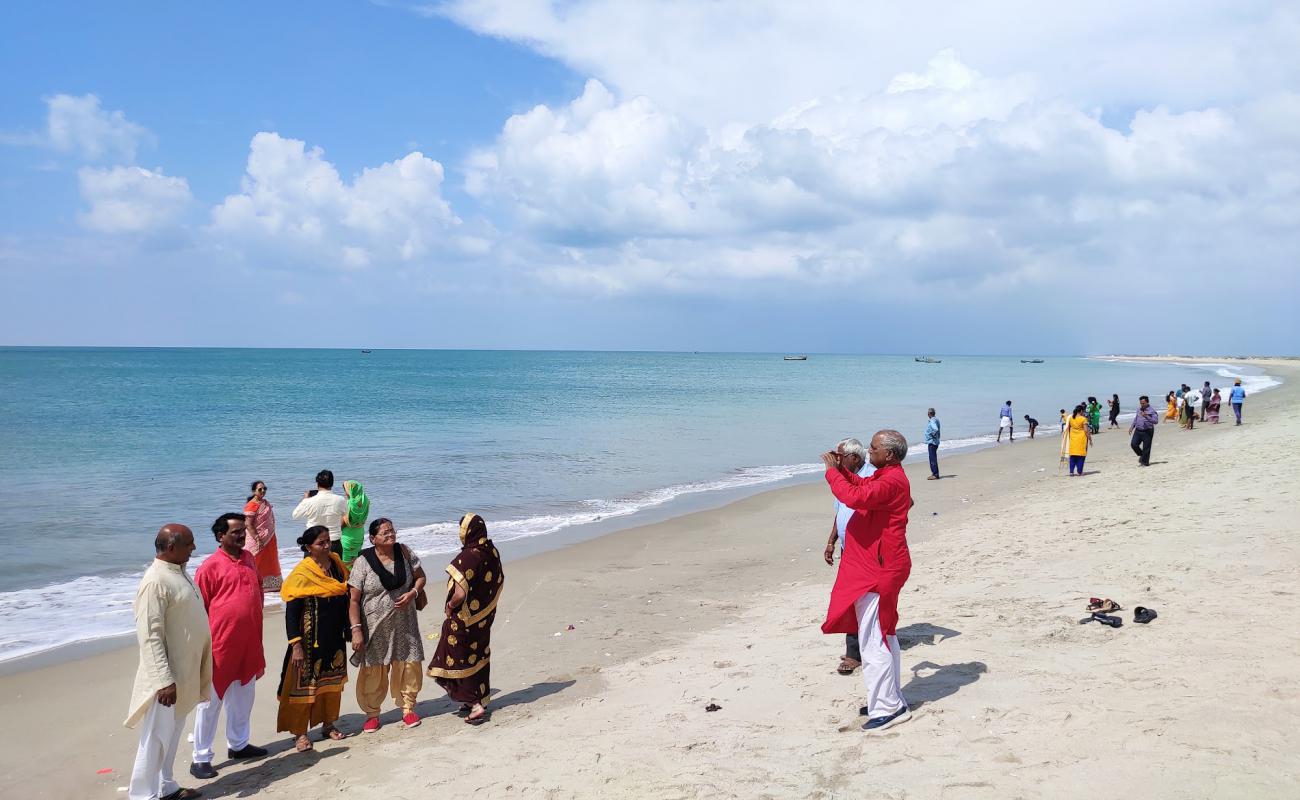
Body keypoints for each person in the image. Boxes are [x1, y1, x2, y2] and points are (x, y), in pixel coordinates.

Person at [820, 430, 913, 733]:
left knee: (874, 641)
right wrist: (843, 470)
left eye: (873, 449)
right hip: (879, 565)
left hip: (880, 569)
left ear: (890, 454)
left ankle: (888, 707)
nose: (869, 452)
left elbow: (855, 496)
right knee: (882, 635)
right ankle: (888, 697)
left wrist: (833, 474)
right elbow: (860, 485)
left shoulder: (891, 481)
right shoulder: (886, 475)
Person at [125, 524, 212, 800]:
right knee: (155, 739)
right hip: (167, 680)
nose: (194, 548)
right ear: (172, 547)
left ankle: (166, 786)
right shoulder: (155, 582)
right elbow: (149, 636)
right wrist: (164, 681)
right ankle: (142, 795)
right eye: (189, 543)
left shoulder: (178, 572)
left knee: (172, 735)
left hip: (185, 673)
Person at [190, 513, 268, 780]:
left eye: (242, 531)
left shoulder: (249, 559)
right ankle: (200, 757)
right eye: (235, 532)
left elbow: (258, 590)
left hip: (249, 642)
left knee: (244, 697)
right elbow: (199, 610)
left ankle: (238, 744)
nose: (241, 535)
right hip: (220, 647)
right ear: (220, 536)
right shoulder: (209, 567)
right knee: (210, 703)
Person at [348, 517, 427, 731]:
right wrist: (356, 630)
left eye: (392, 530)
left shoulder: (405, 552)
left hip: (405, 623)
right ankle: (372, 713)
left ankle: (408, 708)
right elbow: (354, 600)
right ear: (373, 539)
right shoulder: (363, 561)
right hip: (375, 627)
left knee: (409, 664)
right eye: (385, 532)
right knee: (374, 669)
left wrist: (413, 593)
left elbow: (421, 577)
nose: (390, 534)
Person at [277, 526, 349, 752]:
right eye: (321, 543)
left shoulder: (337, 565)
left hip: (334, 637)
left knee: (332, 683)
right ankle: (300, 734)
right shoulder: (301, 574)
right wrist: (295, 645)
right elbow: (292, 613)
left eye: (328, 541)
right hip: (308, 641)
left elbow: (346, 595)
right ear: (309, 548)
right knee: (304, 687)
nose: (327, 546)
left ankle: (328, 724)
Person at [427, 513, 504, 726]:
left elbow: (459, 594)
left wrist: (450, 606)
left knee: (456, 656)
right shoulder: (491, 551)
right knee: (478, 653)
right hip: (484, 617)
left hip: (464, 619)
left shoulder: (467, 558)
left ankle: (474, 703)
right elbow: (497, 580)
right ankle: (480, 698)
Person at [822, 438, 875, 676]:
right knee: (852, 597)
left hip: (865, 548)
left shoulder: (870, 476)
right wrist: (831, 541)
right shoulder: (846, 477)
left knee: (858, 597)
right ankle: (859, 647)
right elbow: (840, 511)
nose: (837, 459)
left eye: (840, 455)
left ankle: (855, 653)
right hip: (848, 547)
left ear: (854, 457)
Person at [291, 470, 348, 557]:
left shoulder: (309, 501)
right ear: (332, 484)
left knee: (312, 570)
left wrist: (305, 499)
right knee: (334, 570)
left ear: (317, 484)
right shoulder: (340, 500)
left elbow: (295, 515)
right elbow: (345, 514)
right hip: (334, 542)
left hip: (314, 543)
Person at [242, 481, 282, 593]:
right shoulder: (251, 505)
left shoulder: (265, 502)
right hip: (257, 539)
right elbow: (248, 524)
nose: (263, 491)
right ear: (254, 491)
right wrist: (257, 539)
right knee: (254, 560)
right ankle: (251, 584)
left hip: (269, 537)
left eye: (264, 488)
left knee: (270, 559)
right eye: (260, 489)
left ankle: (270, 586)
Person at [340, 480, 370, 567]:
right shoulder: (365, 502)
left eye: (346, 490)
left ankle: (348, 578)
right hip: (359, 533)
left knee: (346, 562)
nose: (345, 493)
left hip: (348, 536)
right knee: (355, 559)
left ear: (350, 491)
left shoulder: (349, 505)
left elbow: (342, 524)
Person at [1129, 395, 1160, 467]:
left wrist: (1146, 416)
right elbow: (1136, 418)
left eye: (1143, 403)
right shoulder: (1139, 409)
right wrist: (1132, 427)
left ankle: (1145, 462)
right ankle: (1142, 455)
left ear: (1147, 402)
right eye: (1141, 403)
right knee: (1134, 444)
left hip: (1147, 431)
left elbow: (1155, 421)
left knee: (1146, 447)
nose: (1142, 405)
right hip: (1138, 430)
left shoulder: (1152, 411)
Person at [1067, 405, 1092, 476]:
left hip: (1072, 439)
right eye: (1083, 411)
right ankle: (1079, 472)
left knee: (1073, 455)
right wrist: (1090, 439)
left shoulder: (1071, 418)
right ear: (1081, 411)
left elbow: (1068, 428)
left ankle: (1071, 472)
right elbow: (1086, 431)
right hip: (1081, 439)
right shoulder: (1083, 419)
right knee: (1081, 456)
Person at [923, 409, 940, 480]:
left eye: (928, 413)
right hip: (935, 442)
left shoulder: (932, 421)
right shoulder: (936, 419)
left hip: (932, 442)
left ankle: (935, 474)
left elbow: (935, 429)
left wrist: (932, 435)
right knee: (933, 457)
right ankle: (935, 473)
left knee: (932, 458)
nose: (927, 414)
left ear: (930, 414)